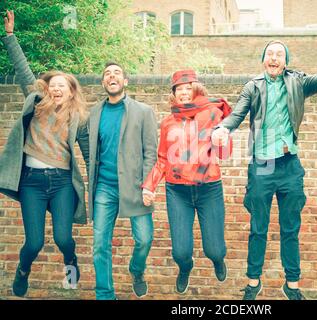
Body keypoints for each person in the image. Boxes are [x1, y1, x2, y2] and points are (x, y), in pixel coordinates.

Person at [211, 34, 317, 300]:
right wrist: (222, 128)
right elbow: (237, 114)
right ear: (263, 60)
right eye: (269, 54)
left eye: (279, 54)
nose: (273, 58)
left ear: (286, 62)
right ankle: (253, 283)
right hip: (261, 167)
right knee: (258, 228)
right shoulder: (253, 86)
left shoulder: (298, 82)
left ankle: (292, 285)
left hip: (290, 167)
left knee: (290, 229)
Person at [0, 10, 89, 297]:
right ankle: (23, 271)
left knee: (64, 239)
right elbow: (24, 70)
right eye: (53, 86)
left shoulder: (79, 118)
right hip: (32, 183)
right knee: (34, 243)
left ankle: (71, 266)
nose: (56, 89)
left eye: (62, 86)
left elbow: (89, 155)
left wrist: (101, 184)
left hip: (62, 182)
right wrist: (10, 36)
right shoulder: (37, 103)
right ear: (47, 89)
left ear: (71, 91)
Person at [141, 69, 232, 295]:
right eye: (178, 89)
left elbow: (225, 153)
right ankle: (185, 268)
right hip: (177, 191)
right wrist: (149, 185)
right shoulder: (168, 122)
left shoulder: (213, 114)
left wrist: (223, 140)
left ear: (196, 89)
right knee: (180, 252)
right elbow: (162, 158)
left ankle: (218, 261)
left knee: (215, 250)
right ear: (174, 94)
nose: (183, 92)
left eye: (187, 87)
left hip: (209, 189)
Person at [88, 61, 158, 300]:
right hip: (104, 188)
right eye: (107, 74)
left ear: (125, 81)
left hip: (136, 186)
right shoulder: (95, 113)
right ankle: (105, 294)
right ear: (103, 83)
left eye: (116, 72)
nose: (111, 76)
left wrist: (149, 186)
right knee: (99, 244)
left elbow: (151, 153)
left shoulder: (143, 111)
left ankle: (136, 270)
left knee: (145, 239)